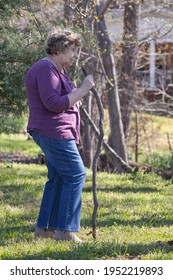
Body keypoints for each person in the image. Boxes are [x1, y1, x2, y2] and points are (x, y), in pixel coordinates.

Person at [25, 29, 94, 243]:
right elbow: (53, 104)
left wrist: (74, 98)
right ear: (59, 48)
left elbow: (61, 99)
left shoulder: (56, 70)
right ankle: (64, 231)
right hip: (53, 131)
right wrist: (83, 89)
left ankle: (45, 228)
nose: (74, 55)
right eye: (72, 50)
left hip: (56, 130)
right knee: (75, 174)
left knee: (58, 177)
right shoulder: (46, 69)